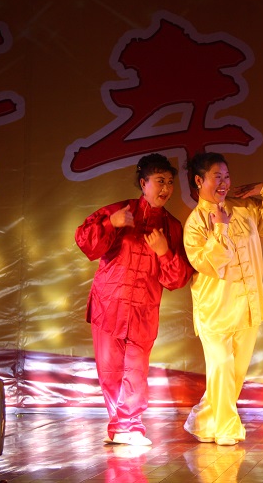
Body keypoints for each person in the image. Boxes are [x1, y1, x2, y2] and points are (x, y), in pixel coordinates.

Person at [75, 153, 194, 446]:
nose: (166, 188)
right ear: (143, 183)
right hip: (109, 304)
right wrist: (111, 223)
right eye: (159, 181)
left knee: (136, 371)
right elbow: (85, 241)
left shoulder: (172, 227)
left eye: (170, 182)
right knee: (110, 370)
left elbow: (177, 278)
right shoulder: (120, 211)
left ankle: (131, 425)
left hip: (143, 309)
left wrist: (164, 251)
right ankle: (121, 427)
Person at [182, 152, 263, 446]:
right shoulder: (195, 223)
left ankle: (204, 422)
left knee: (234, 375)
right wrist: (220, 227)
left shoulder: (244, 208)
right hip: (215, 310)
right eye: (217, 177)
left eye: (227, 176)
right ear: (199, 181)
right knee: (221, 367)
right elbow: (211, 264)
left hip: (247, 305)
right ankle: (228, 429)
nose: (224, 183)